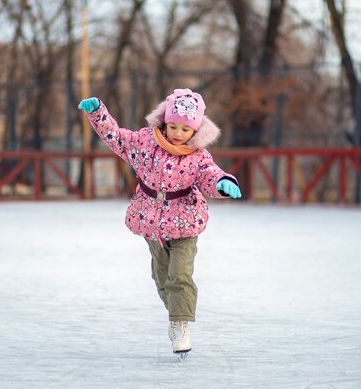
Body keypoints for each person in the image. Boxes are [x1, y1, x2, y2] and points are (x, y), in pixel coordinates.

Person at [78, 88, 241, 357]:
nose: (177, 134)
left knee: (180, 274)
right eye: (173, 126)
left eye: (185, 129)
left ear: (196, 131)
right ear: (164, 122)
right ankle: (177, 312)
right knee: (162, 276)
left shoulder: (197, 157)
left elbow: (210, 174)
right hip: (152, 220)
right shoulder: (145, 143)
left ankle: (180, 323)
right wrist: (98, 113)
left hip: (185, 221)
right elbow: (116, 137)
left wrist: (223, 183)